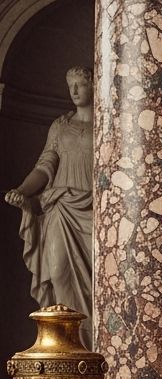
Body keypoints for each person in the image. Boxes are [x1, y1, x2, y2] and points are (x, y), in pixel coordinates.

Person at [5, 65, 95, 347]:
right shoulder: (60, 126)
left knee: (98, 279)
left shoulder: (107, 123)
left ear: (94, 86)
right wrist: (22, 190)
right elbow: (45, 167)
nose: (74, 91)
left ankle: (96, 343)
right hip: (60, 206)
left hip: (94, 210)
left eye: (80, 84)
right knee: (58, 271)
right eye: (70, 86)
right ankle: (70, 344)